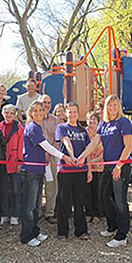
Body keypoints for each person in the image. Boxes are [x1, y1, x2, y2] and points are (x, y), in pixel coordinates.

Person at [78, 94, 132, 248]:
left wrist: (119, 166)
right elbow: (94, 143)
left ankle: (122, 235)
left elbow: (128, 147)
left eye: (115, 105)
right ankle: (112, 225)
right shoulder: (104, 124)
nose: (112, 108)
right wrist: (82, 156)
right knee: (103, 195)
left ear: (119, 107)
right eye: (110, 105)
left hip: (120, 166)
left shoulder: (124, 122)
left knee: (120, 201)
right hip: (108, 167)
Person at [20, 101, 74, 247]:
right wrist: (64, 157)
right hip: (31, 170)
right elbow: (46, 146)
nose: (38, 113)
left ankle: (34, 231)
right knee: (30, 205)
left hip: (39, 170)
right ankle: (26, 235)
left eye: (41, 110)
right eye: (35, 110)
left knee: (36, 204)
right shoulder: (32, 127)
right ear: (30, 112)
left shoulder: (38, 127)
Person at [56, 102, 91, 240]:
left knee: (79, 201)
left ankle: (81, 230)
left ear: (78, 113)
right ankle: (62, 232)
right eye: (69, 112)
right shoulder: (62, 127)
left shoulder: (83, 130)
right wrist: (72, 156)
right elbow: (66, 142)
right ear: (66, 113)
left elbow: (87, 150)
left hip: (81, 170)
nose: (72, 114)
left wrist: (89, 170)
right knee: (64, 201)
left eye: (74, 111)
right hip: (65, 170)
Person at [0, 104, 24, 226]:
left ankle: (15, 215)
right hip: (2, 162)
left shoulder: (18, 127)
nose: (9, 115)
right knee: (2, 190)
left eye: (11, 113)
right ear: (3, 113)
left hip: (14, 161)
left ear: (15, 115)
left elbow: (21, 145)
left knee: (16, 191)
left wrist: (19, 161)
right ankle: (3, 214)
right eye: (6, 112)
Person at [40, 95, 60, 224]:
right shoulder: (34, 119)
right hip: (37, 158)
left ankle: (49, 212)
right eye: (44, 102)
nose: (47, 105)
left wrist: (49, 152)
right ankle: (36, 212)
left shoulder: (55, 120)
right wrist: (42, 152)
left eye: (49, 102)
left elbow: (58, 140)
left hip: (52, 158)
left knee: (52, 186)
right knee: (36, 186)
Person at [85, 111, 103, 223]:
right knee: (87, 190)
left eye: (94, 119)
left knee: (98, 190)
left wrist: (94, 160)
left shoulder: (101, 133)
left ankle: (98, 213)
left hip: (99, 165)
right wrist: (88, 161)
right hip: (86, 166)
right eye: (89, 119)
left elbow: (105, 149)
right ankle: (88, 212)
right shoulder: (83, 132)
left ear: (98, 122)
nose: (92, 121)